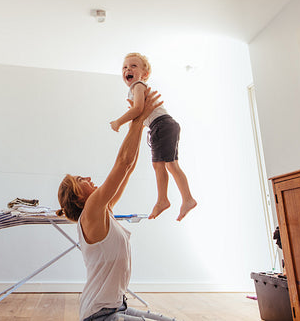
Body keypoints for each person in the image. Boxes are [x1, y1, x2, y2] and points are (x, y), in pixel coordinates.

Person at [57, 87, 162, 321]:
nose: (89, 177)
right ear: (78, 197)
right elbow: (122, 163)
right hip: (99, 315)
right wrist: (140, 116)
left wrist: (140, 120)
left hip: (116, 307)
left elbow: (129, 167)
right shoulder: (91, 211)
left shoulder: (104, 211)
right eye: (81, 180)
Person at [110, 53, 196, 221]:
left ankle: (182, 199)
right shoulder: (136, 89)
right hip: (162, 126)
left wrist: (118, 121)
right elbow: (141, 116)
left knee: (167, 165)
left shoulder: (138, 86)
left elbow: (138, 109)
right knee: (164, 165)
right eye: (124, 67)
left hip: (162, 125)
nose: (128, 69)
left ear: (145, 74)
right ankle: (168, 199)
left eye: (133, 66)